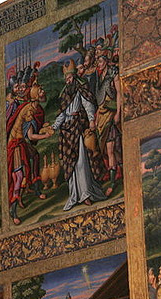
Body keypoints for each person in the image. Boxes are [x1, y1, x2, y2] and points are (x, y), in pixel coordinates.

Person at [52, 61, 106, 210]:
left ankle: (86, 193)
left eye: (70, 77)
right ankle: (74, 195)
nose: (68, 80)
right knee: (70, 163)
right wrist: (54, 127)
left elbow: (88, 105)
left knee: (81, 161)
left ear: (74, 76)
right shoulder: (64, 93)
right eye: (66, 78)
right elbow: (62, 114)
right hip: (66, 131)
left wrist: (91, 120)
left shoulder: (80, 88)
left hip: (77, 127)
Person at [6, 83, 52, 224]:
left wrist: (44, 128)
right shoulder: (29, 110)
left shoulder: (35, 108)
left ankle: (36, 189)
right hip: (15, 143)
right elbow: (31, 136)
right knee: (19, 176)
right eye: (41, 91)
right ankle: (13, 210)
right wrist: (46, 135)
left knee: (35, 156)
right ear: (35, 96)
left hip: (21, 141)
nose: (43, 92)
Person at [93, 55, 121, 196]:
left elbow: (119, 93)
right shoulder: (99, 78)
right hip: (101, 116)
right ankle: (116, 174)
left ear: (106, 61)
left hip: (110, 113)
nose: (99, 64)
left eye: (100, 61)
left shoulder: (113, 73)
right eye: (97, 62)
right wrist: (96, 117)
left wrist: (118, 113)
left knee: (110, 149)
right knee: (106, 149)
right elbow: (100, 101)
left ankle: (112, 183)